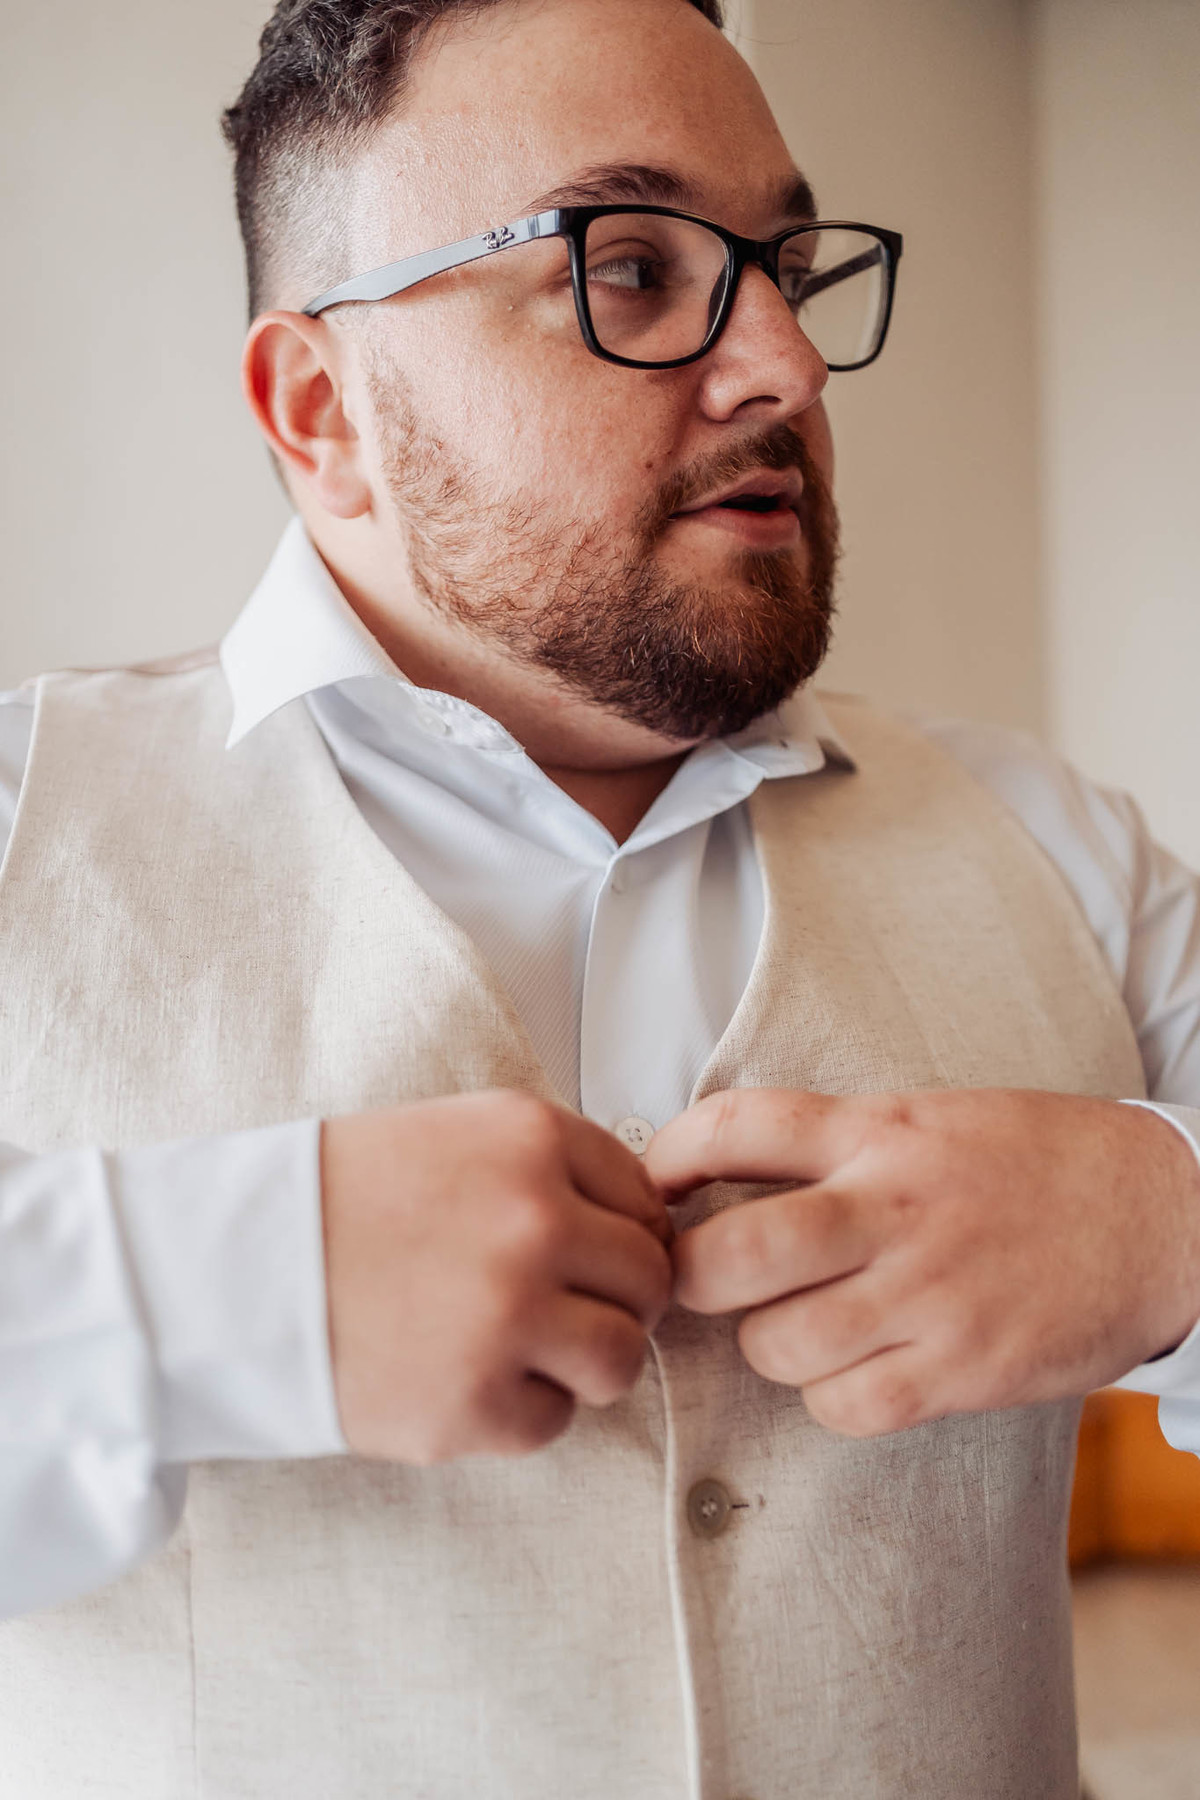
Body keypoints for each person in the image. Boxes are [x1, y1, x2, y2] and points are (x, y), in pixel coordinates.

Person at [1, 0, 1198, 1792]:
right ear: (321, 410)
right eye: (627, 265)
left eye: (784, 265)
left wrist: (1169, 1227)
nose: (785, 362)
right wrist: (216, 1293)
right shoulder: (20, 827)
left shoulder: (1061, 844)